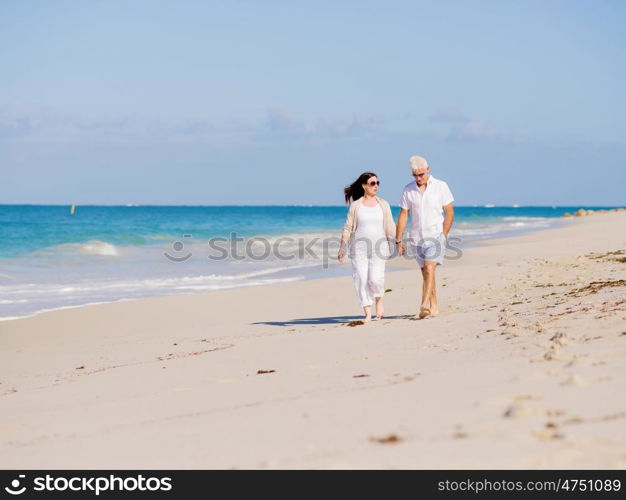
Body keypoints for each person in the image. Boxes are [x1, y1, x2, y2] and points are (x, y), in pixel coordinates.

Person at [396, 156, 454, 319]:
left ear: (428, 169)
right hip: (416, 238)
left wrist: (444, 234)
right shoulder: (408, 189)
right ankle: (434, 307)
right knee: (426, 273)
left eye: (421, 174)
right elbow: (403, 214)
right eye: (415, 175)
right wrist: (398, 239)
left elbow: (449, 210)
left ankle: (423, 305)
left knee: (429, 269)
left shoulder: (441, 186)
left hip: (435, 235)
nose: (418, 178)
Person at [338, 172, 396, 322]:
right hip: (359, 249)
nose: (376, 186)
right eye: (372, 183)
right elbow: (348, 227)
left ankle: (379, 301)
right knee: (361, 279)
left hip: (379, 247)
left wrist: (398, 241)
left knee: (375, 279)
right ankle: (368, 312)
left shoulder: (383, 204)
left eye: (377, 183)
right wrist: (342, 247)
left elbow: (390, 225)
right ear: (364, 186)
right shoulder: (356, 206)